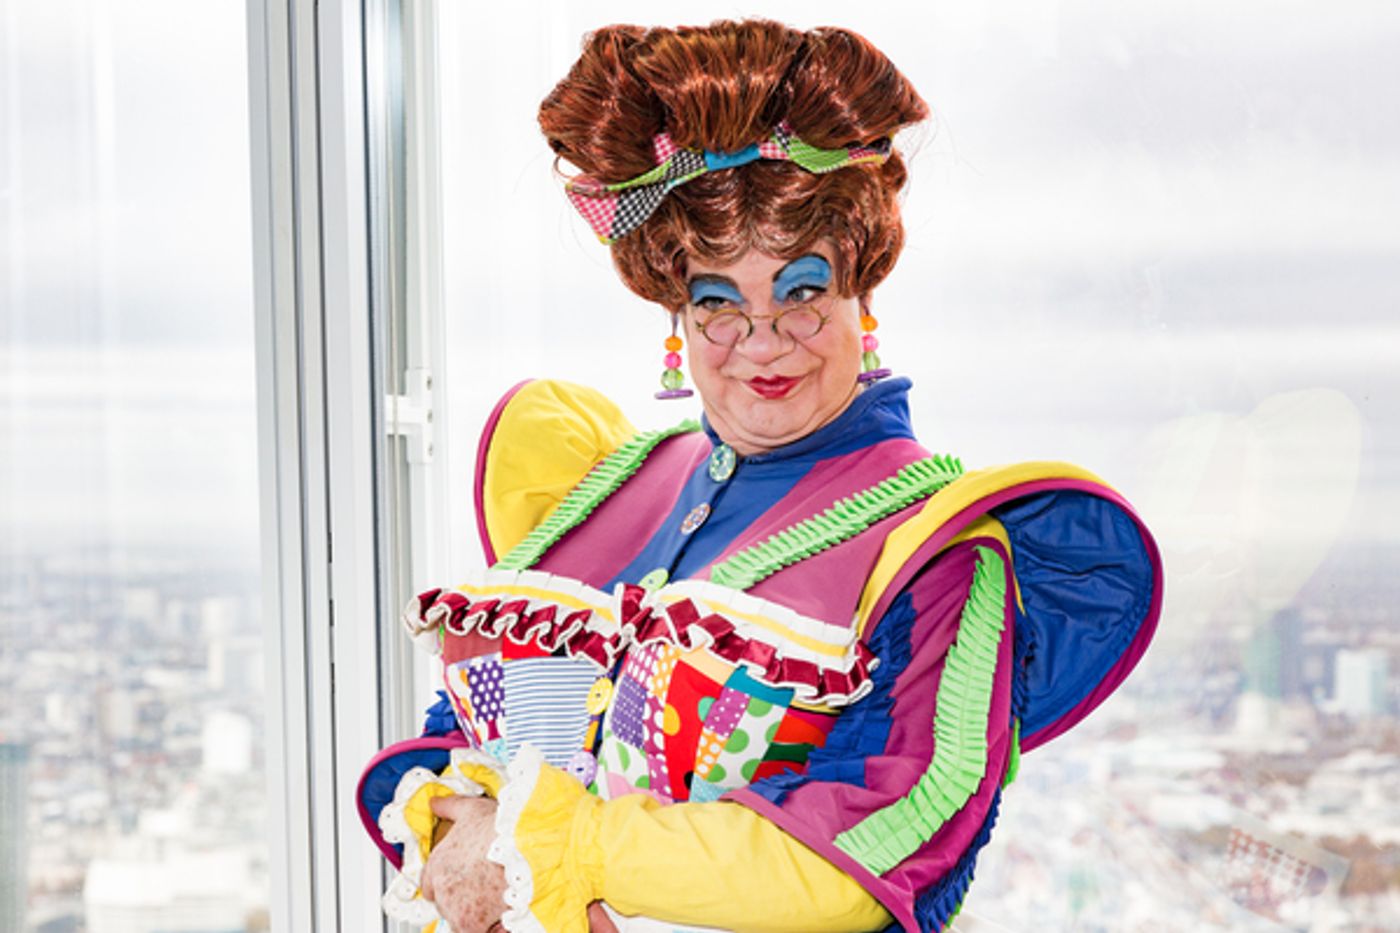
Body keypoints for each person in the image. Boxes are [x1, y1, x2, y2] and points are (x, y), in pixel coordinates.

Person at [357, 19, 1162, 933]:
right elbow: (450, 742)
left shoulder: (937, 546)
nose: (765, 340)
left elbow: (873, 846)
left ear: (864, 292)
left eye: (803, 290)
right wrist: (453, 824)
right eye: (719, 303)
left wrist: (566, 848)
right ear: (677, 318)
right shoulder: (610, 483)